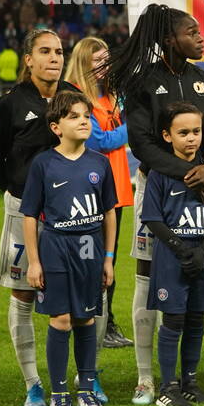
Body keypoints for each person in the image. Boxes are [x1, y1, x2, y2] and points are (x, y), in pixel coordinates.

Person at [102, 4, 204, 404]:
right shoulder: (143, 84)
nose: (201, 37)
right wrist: (190, 175)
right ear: (170, 39)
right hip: (159, 189)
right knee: (149, 283)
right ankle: (147, 379)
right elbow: (142, 145)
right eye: (192, 31)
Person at [0, 29, 84, 406]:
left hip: (70, 213)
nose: (54, 57)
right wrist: (17, 187)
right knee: (23, 292)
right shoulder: (11, 103)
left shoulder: (72, 95)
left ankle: (82, 377)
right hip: (23, 211)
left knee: (77, 296)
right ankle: (33, 383)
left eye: (59, 51)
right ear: (28, 59)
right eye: (45, 51)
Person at [21, 91, 117, 406]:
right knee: (61, 319)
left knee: (86, 317)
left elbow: (109, 213)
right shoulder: (44, 164)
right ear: (56, 127)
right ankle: (59, 393)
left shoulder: (100, 163)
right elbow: (30, 215)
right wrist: (34, 262)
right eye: (74, 116)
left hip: (90, 249)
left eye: (86, 116)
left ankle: (86, 390)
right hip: (56, 246)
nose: (83, 121)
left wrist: (108, 258)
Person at [139, 102, 204, 406]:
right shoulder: (160, 175)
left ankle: (190, 382)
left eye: (196, 132)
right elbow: (152, 218)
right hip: (172, 259)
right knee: (173, 319)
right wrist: (181, 249)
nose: (191, 138)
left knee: (195, 319)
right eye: (183, 132)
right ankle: (167, 387)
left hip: (200, 258)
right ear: (167, 136)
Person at [64, 35, 134, 350]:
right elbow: (100, 141)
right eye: (98, 61)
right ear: (83, 63)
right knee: (91, 260)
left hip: (114, 190)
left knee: (108, 259)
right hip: (89, 192)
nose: (106, 66)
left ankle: (105, 322)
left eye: (107, 60)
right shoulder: (77, 99)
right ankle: (90, 321)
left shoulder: (108, 97)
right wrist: (132, 124)